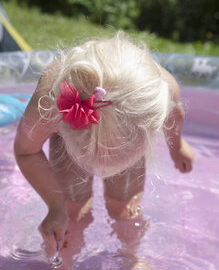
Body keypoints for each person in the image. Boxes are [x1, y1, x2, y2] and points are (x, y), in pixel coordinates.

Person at [14, 32, 194, 257]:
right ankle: (66, 257)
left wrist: (176, 147)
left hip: (126, 125)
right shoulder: (49, 104)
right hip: (73, 129)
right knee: (72, 212)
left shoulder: (160, 91)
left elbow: (175, 115)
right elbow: (26, 151)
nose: (101, 171)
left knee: (126, 209)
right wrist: (55, 206)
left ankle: (130, 255)